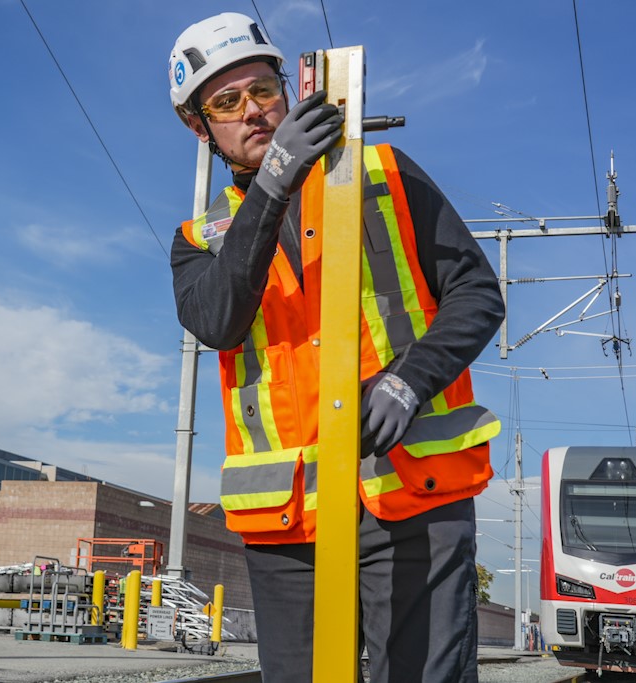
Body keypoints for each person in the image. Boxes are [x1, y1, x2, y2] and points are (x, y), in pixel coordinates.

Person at [167, 14, 505, 683]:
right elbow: (217, 322)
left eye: (263, 89)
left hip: (412, 492)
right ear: (197, 125)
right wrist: (274, 184)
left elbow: (476, 293)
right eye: (227, 103)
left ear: (290, 89)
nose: (254, 112)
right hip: (286, 515)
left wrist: (409, 381)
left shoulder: (382, 173)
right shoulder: (198, 238)